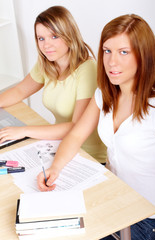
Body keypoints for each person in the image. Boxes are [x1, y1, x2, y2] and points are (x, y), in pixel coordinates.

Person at [37, 14, 155, 240]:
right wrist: (55, 169)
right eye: (107, 51)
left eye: (124, 52)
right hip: (113, 198)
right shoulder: (104, 95)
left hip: (148, 218)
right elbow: (75, 136)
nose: (112, 61)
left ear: (144, 55)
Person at [0, 6, 107, 164]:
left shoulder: (88, 69)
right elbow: (19, 91)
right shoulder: (47, 63)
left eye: (54, 36)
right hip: (57, 144)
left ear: (69, 35)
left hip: (86, 154)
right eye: (41, 38)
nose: (46, 45)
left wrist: (23, 131)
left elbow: (76, 126)